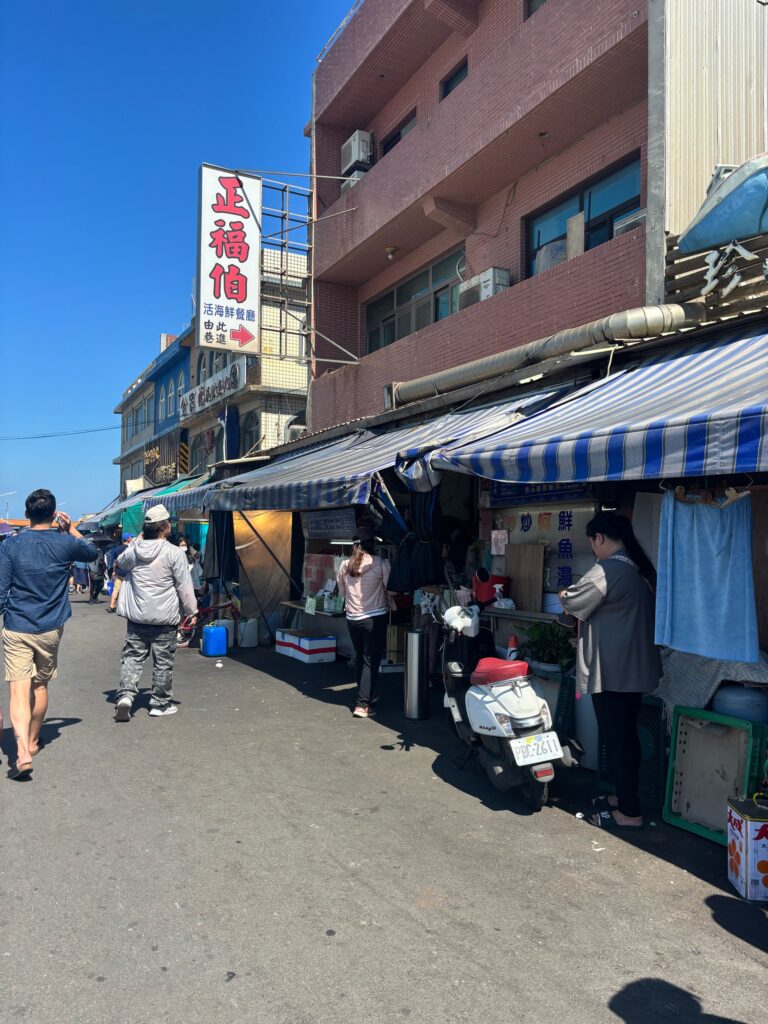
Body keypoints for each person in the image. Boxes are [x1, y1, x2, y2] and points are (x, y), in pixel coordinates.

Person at [559, 510, 660, 830]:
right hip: (633, 669)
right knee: (626, 736)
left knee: (617, 739)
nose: (594, 549)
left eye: (593, 543)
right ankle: (622, 795)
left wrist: (564, 593)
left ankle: (629, 812)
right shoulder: (640, 569)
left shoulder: (608, 569)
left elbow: (573, 601)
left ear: (600, 538)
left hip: (612, 670)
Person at [0, 489, 98, 777]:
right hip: (51, 627)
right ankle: (32, 742)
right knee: (39, 687)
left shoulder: (10, 546)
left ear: (27, 515)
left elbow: (2, 590)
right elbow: (92, 553)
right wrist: (72, 529)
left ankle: (19, 752)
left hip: (18, 625)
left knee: (18, 688)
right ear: (54, 515)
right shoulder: (65, 543)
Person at [114, 504, 197, 721]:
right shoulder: (174, 553)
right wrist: (192, 611)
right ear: (165, 527)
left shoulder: (135, 551)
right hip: (164, 619)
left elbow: (120, 563)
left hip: (137, 617)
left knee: (132, 657)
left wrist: (137, 541)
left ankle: (125, 697)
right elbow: (184, 586)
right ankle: (159, 704)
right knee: (163, 661)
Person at [336, 528, 391, 718]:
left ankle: (367, 694)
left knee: (361, 656)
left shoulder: (344, 565)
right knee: (370, 660)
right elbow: (389, 588)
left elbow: (342, 592)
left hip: (352, 618)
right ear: (371, 544)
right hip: (374, 617)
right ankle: (362, 705)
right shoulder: (381, 564)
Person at [106, 535, 131, 614]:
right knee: (128, 590)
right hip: (128, 572)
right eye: (132, 537)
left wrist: (114, 571)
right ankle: (126, 607)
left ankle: (112, 605)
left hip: (119, 572)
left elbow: (115, 562)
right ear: (128, 539)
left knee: (116, 589)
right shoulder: (131, 549)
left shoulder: (117, 549)